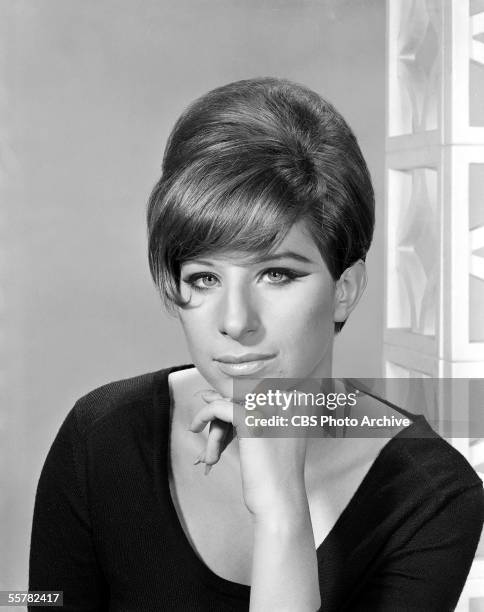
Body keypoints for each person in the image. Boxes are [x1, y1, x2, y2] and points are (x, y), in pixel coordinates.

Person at [29, 77, 484, 611]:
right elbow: (41, 603)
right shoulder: (101, 435)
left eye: (276, 274)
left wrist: (283, 516)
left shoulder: (431, 497)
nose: (235, 321)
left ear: (345, 289)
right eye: (204, 278)